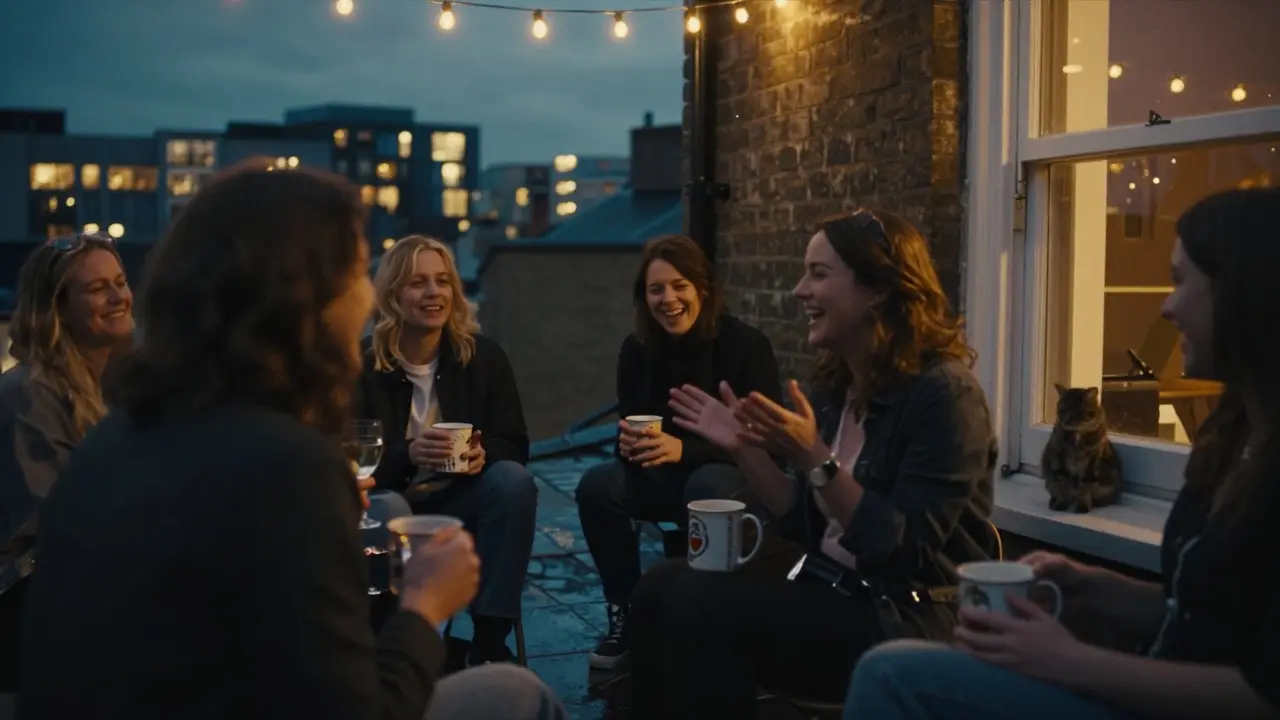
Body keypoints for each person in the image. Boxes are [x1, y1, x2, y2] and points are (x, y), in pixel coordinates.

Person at [17, 162, 565, 720]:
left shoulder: (120, 435)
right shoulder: (283, 464)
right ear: (309, 295)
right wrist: (424, 608)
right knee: (521, 697)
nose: (365, 292)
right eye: (357, 269)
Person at [843, 188, 1280, 720]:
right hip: (1142, 676)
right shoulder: (1232, 438)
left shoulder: (943, 393)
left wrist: (1067, 661)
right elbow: (1209, 614)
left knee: (891, 676)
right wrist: (1100, 589)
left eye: (1182, 281)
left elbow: (1263, 695)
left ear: (1246, 294)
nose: (1166, 307)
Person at [627, 209, 999, 718]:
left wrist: (818, 460)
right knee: (658, 587)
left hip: (902, 613)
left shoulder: (945, 396)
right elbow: (801, 520)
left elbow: (903, 552)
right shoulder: (837, 385)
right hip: (829, 589)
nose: (800, 290)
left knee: (699, 603)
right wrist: (745, 448)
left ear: (877, 289)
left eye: (819, 274)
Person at [574, 234, 782, 670]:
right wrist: (629, 444)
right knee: (597, 486)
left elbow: (769, 447)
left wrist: (682, 450)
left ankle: (702, 618)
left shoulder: (745, 346)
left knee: (706, 486)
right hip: (658, 476)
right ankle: (625, 611)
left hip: (728, 475)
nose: (668, 299)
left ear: (702, 288)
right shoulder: (637, 350)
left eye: (679, 285)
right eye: (656, 289)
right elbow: (629, 426)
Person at [357, 234, 536, 666]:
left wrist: (481, 455)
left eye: (442, 281)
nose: (434, 293)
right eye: (418, 283)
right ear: (394, 294)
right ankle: (395, 643)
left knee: (513, 483)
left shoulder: (483, 357)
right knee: (387, 508)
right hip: (393, 499)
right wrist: (409, 454)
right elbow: (352, 462)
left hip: (460, 493)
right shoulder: (362, 365)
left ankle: (489, 639)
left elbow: (514, 442)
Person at [0, 232, 133, 692]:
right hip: (37, 614)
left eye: (120, 281)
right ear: (57, 307)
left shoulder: (125, 385)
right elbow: (61, 526)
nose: (118, 297)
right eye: (98, 289)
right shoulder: (29, 394)